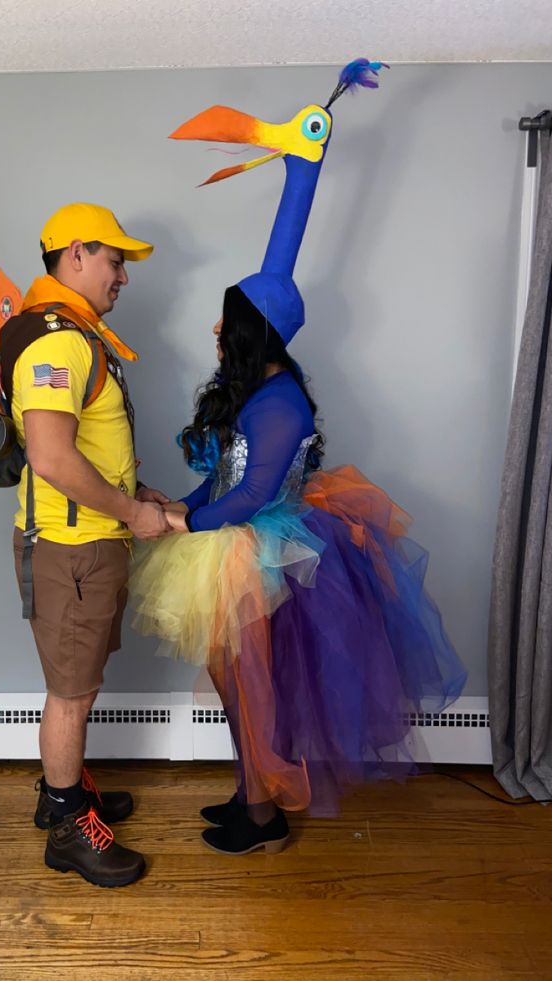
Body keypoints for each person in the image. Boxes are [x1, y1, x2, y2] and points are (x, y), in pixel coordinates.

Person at [129, 62, 467, 854]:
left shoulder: (279, 403)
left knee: (258, 693)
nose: (216, 333)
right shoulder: (253, 387)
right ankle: (251, 792)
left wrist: (183, 517)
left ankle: (264, 814)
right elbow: (221, 478)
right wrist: (304, 166)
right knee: (233, 686)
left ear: (251, 333)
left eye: (225, 323)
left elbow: (245, 496)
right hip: (230, 542)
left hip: (268, 553)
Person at [2, 202, 170, 887]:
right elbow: (50, 456)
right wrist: (130, 510)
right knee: (69, 694)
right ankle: (71, 828)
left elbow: (89, 446)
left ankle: (60, 793)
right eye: (114, 259)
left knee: (79, 684)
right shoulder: (56, 341)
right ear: (75, 253)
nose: (122, 275)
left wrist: (141, 491)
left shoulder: (75, 334)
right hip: (74, 548)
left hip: (89, 542)